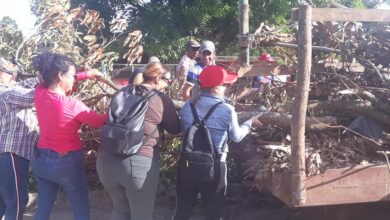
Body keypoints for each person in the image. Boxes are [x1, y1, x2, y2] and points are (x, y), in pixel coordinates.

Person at [173, 65, 262, 220]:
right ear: (216, 88)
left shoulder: (188, 106)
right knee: (213, 213)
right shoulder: (226, 110)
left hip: (187, 164)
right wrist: (249, 123)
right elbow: (237, 137)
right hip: (215, 167)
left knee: (182, 211)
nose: (227, 87)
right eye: (225, 84)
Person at [97, 62, 181, 220]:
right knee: (141, 215)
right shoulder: (161, 99)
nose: (168, 84)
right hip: (137, 164)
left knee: (120, 211)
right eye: (167, 80)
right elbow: (175, 129)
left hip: (106, 161)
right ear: (156, 78)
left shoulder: (122, 93)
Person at [31, 52, 107, 220]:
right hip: (66, 164)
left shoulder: (40, 93)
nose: (74, 79)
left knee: (43, 208)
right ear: (59, 75)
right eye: (72, 76)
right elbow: (102, 121)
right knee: (81, 210)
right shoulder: (72, 105)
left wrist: (86, 74)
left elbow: (49, 81)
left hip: (41, 160)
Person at [0, 57, 40, 220]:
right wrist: (53, 79)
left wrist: (40, 77)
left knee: (4, 202)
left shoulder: (9, 91)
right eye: (10, 73)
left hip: (6, 155)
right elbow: (37, 95)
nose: (14, 77)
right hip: (12, 154)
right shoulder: (7, 93)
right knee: (17, 201)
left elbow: (25, 85)